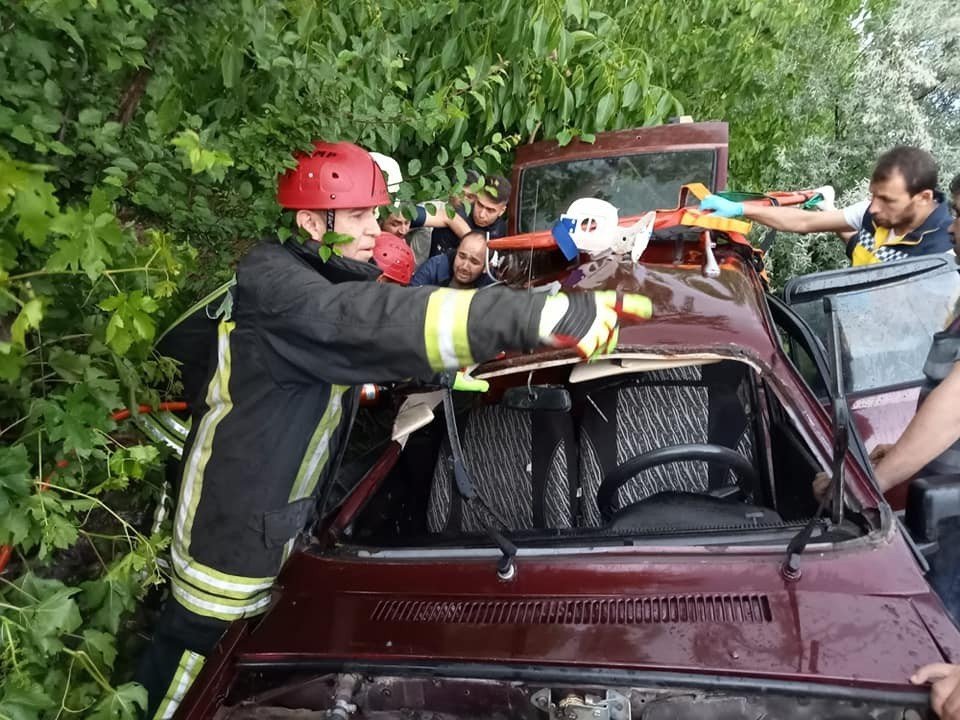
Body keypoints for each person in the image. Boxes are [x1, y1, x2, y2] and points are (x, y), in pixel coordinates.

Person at [136, 139, 653, 719]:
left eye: (375, 214)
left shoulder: (306, 275)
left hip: (269, 528)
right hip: (227, 553)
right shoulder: (286, 292)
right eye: (359, 215)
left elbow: (373, 340)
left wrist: (446, 367)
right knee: (184, 690)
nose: (376, 229)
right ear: (312, 219)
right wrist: (528, 317)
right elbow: (363, 324)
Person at [701, 146, 954, 266]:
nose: (873, 208)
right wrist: (741, 209)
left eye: (887, 199)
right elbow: (803, 221)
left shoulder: (945, 253)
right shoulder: (878, 213)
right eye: (873, 196)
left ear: (923, 197)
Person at [414, 174, 511, 257]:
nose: (481, 214)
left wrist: (468, 235)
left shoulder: (503, 231)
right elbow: (416, 215)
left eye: (490, 210)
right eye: (480, 205)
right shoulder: (459, 212)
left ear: (502, 211)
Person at [410, 231, 491, 289]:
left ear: (486, 268)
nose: (464, 266)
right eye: (462, 256)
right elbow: (409, 298)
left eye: (474, 262)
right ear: (457, 251)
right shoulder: (435, 266)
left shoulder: (491, 287)